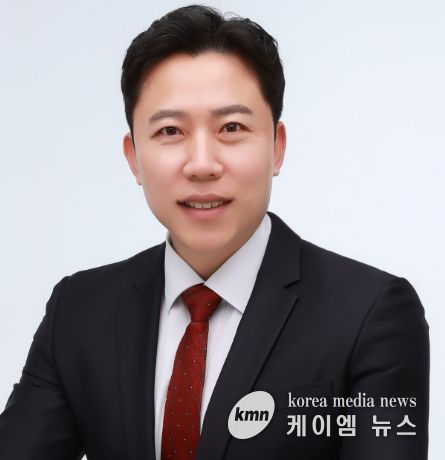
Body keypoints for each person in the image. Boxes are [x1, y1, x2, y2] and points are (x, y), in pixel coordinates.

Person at [0, 4, 429, 460]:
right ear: (134, 157)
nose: (202, 164)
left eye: (231, 127)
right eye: (170, 130)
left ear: (277, 147)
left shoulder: (372, 315)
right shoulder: (79, 312)